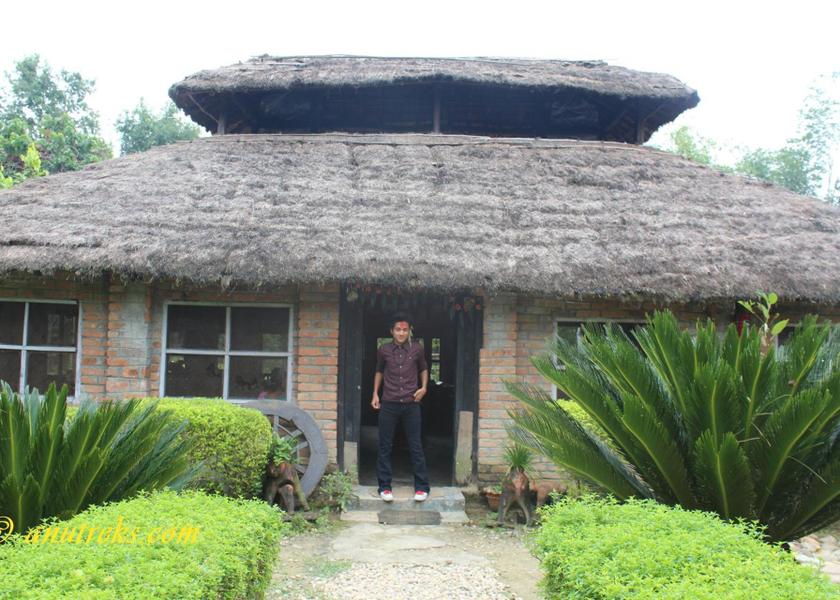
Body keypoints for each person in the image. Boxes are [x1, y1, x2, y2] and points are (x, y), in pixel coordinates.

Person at [371, 312, 430, 502]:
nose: (402, 333)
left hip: (412, 404)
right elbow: (379, 371)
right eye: (398, 329)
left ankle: (421, 488)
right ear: (392, 331)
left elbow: (424, 368)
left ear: (409, 331)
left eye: (405, 330)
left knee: (416, 446)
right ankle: (384, 487)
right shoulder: (384, 350)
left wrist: (424, 388)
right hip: (389, 403)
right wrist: (375, 394)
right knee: (385, 445)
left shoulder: (417, 349)